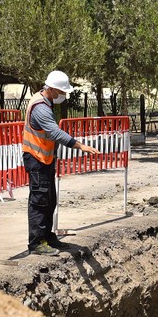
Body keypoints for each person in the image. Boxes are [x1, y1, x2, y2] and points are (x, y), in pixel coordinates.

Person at [23, 70, 100, 256]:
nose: (64, 95)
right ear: (53, 89)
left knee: (50, 200)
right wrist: (80, 146)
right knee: (39, 201)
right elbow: (55, 133)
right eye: (62, 92)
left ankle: (47, 236)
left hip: (45, 158)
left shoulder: (45, 101)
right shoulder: (40, 107)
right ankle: (36, 243)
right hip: (36, 158)